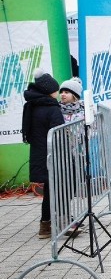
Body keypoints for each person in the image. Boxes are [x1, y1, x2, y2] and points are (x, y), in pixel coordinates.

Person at [21, 70, 64, 239]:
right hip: (54, 157)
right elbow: (60, 134)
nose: (58, 93)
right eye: (56, 90)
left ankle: (45, 225)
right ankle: (63, 221)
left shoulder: (32, 106)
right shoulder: (52, 108)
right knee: (60, 188)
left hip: (40, 154)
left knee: (49, 189)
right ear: (49, 91)